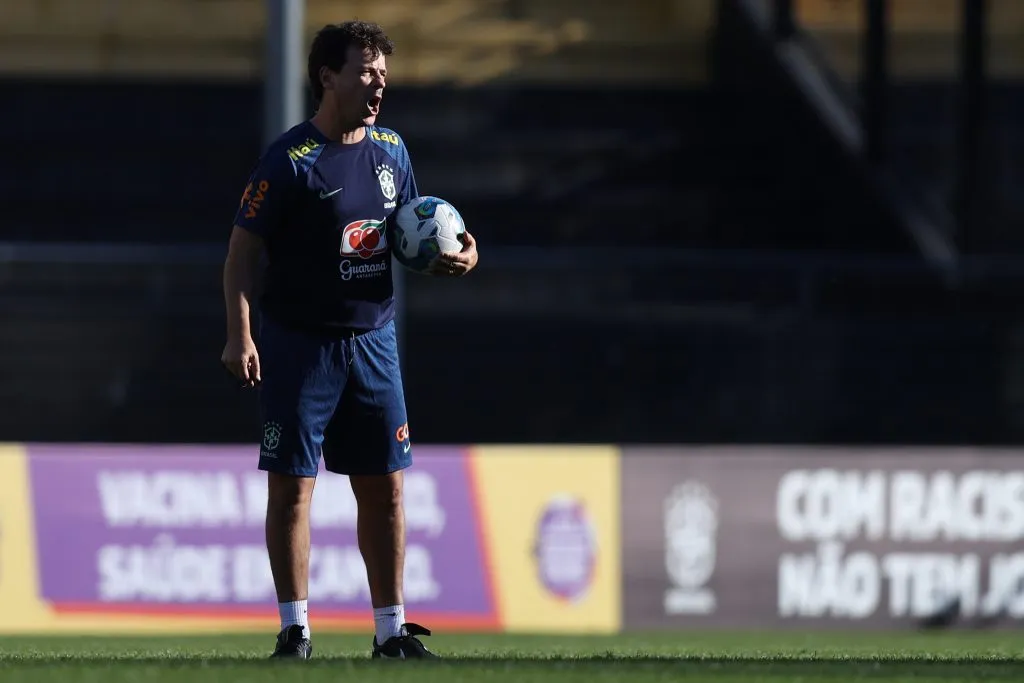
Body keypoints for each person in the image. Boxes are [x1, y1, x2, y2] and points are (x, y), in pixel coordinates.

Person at [220, 20, 479, 660]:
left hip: (373, 342)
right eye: (365, 71)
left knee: (386, 487)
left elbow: (421, 228)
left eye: (383, 74)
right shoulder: (288, 161)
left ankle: (391, 632)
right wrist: (240, 333)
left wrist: (463, 254)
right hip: (299, 344)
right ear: (327, 76)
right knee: (292, 488)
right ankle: (294, 630)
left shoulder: (392, 149)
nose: (378, 84)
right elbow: (241, 253)